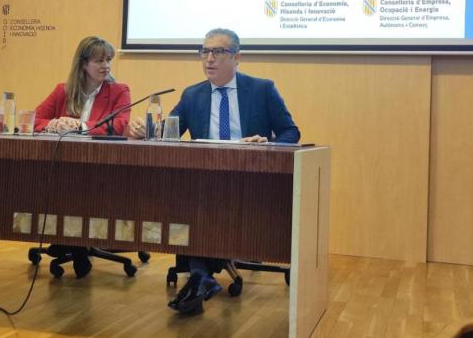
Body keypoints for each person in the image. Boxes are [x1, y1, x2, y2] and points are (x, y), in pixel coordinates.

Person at [127, 28, 299, 313]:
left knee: (203, 203)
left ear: (237, 57)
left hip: (250, 178)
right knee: (189, 197)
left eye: (217, 52)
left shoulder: (262, 89)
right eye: (204, 52)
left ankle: (199, 277)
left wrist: (267, 145)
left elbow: (290, 131)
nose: (209, 59)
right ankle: (200, 277)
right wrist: (144, 129)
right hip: (206, 179)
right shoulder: (192, 95)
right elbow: (167, 132)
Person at [34, 36, 132, 277]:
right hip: (63, 165)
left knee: (79, 188)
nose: (106, 66)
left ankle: (74, 242)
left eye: (108, 60)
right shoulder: (63, 91)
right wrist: (54, 124)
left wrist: (81, 126)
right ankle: (70, 240)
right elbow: (34, 120)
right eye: (99, 61)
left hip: (101, 166)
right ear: (83, 63)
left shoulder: (119, 91)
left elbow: (120, 126)